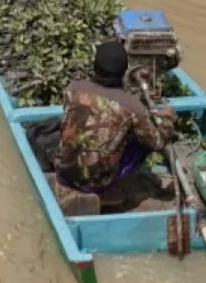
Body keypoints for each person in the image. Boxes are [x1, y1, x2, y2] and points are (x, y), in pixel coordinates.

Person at [52, 40, 176, 214]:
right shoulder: (132, 106)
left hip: (63, 172)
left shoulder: (73, 88)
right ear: (124, 72)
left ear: (95, 67)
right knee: (142, 144)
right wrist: (168, 119)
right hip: (98, 183)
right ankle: (112, 188)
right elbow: (157, 143)